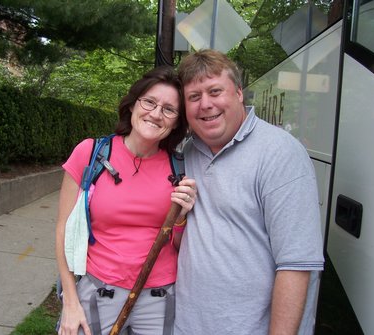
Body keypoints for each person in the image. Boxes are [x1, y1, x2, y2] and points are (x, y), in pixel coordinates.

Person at [174, 49, 324, 335]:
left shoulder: (281, 154)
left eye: (215, 91)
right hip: (188, 326)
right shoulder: (186, 154)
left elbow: (296, 264)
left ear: (239, 93)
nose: (205, 104)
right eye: (194, 97)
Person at [55, 66, 197, 335]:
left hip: (159, 297)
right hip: (97, 293)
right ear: (133, 104)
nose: (156, 114)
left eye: (168, 109)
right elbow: (63, 228)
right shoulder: (90, 153)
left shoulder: (181, 167)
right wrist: (70, 302)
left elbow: (180, 243)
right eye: (150, 102)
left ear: (177, 121)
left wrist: (181, 219)